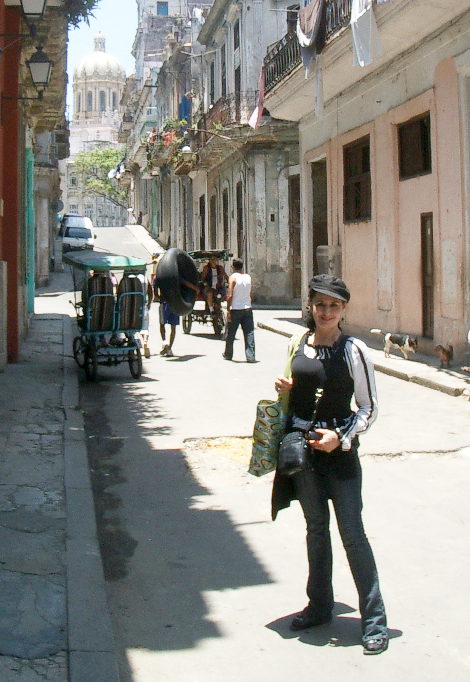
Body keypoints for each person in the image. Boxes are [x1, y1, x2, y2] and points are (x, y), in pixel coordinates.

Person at [273, 274, 388, 655]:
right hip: (303, 452)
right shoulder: (298, 343)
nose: (325, 312)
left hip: (339, 456)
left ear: (343, 310)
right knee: (315, 530)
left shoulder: (354, 350)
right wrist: (288, 389)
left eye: (333, 306)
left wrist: (342, 437)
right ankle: (320, 605)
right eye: (319, 304)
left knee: (352, 533)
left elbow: (368, 408)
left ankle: (374, 621)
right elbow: (299, 388)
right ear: (310, 305)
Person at [223, 258, 256, 363]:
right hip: (247, 308)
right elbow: (250, 293)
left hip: (236, 309)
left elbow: (230, 295)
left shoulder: (233, 278)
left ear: (233, 267)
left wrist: (228, 309)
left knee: (231, 333)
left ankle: (228, 354)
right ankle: (250, 356)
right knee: (249, 333)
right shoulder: (248, 277)